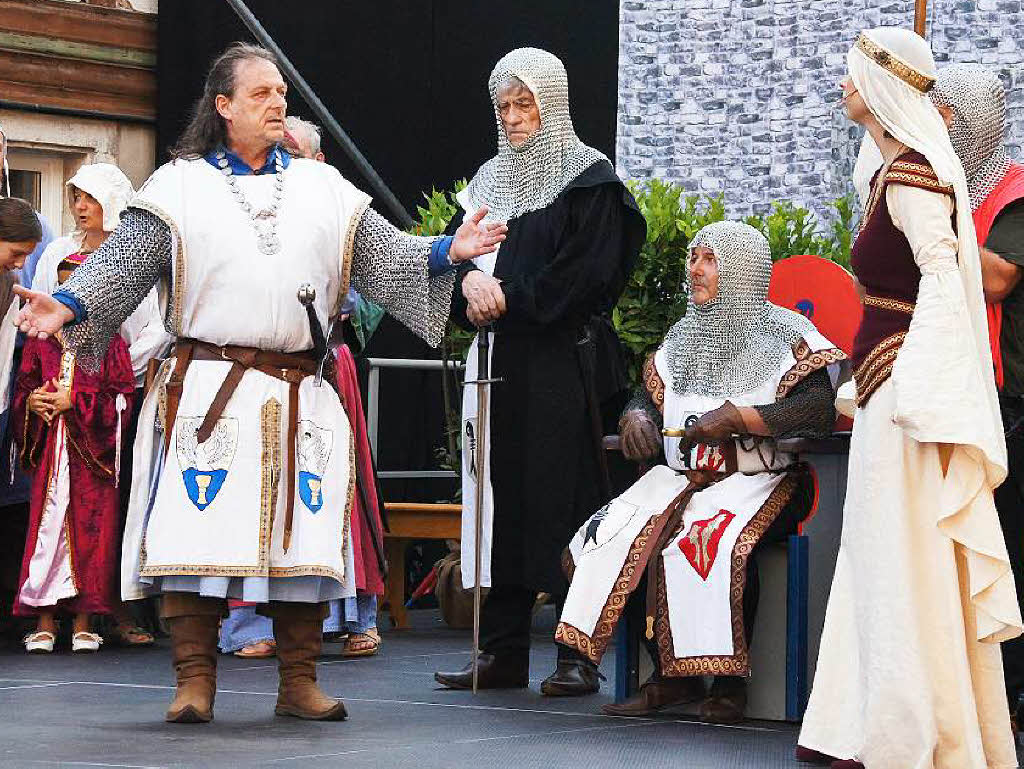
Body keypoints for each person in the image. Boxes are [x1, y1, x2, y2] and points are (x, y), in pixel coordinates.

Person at [12, 42, 505, 724]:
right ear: (223, 107)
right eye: (261, 94)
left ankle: (298, 681)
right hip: (207, 391)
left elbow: (388, 256)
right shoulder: (178, 187)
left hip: (300, 392)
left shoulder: (322, 188)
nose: (278, 103)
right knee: (195, 540)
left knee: (300, 541)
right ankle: (194, 680)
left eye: (281, 93)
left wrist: (447, 251)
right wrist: (67, 304)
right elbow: (121, 264)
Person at [796, 29, 1021, 769]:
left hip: (906, 394)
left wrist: (910, 383)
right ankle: (866, 724)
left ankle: (903, 731)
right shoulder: (890, 171)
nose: (842, 83)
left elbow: (944, 282)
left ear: (885, 84)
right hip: (886, 386)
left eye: (854, 74)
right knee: (876, 553)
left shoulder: (917, 176)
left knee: (900, 557)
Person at [557, 221, 843, 721]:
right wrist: (636, 420)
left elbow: (818, 410)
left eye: (708, 259)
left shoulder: (787, 333)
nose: (695, 269)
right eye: (693, 258)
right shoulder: (684, 337)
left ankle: (729, 686)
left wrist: (740, 418)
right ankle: (669, 679)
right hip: (680, 478)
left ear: (742, 271)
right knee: (611, 536)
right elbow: (645, 397)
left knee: (711, 541)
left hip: (761, 478)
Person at [433, 48, 646, 694]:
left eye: (525, 103)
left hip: (563, 365)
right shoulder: (485, 185)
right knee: (500, 503)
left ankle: (575, 652)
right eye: (504, 106)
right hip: (497, 363)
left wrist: (509, 299)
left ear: (550, 102)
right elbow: (450, 253)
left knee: (569, 503)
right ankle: (500, 650)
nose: (515, 116)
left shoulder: (590, 181)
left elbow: (585, 276)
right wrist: (468, 280)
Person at [31, 163, 171, 647]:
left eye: (89, 198)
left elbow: (155, 329)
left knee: (118, 498)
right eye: (75, 199)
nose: (80, 208)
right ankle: (57, 605)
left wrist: (106, 370)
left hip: (118, 390)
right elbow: (47, 315)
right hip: (64, 384)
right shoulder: (58, 254)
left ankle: (117, 609)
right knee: (61, 500)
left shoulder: (134, 254)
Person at [931, 64, 1024, 738]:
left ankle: (1015, 693)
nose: (941, 125)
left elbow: (995, 277)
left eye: (950, 116)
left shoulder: (1014, 192)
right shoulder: (952, 189)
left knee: (1011, 548)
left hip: (1011, 394)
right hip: (967, 388)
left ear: (978, 123)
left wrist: (934, 219)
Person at [13, 242, 135, 654]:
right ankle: (44, 621)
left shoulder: (111, 345)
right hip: (52, 451)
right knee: (46, 531)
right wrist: (32, 404)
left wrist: (77, 402)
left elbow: (121, 400)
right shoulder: (40, 343)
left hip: (90, 456)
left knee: (92, 532)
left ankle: (85, 621)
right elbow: (24, 389)